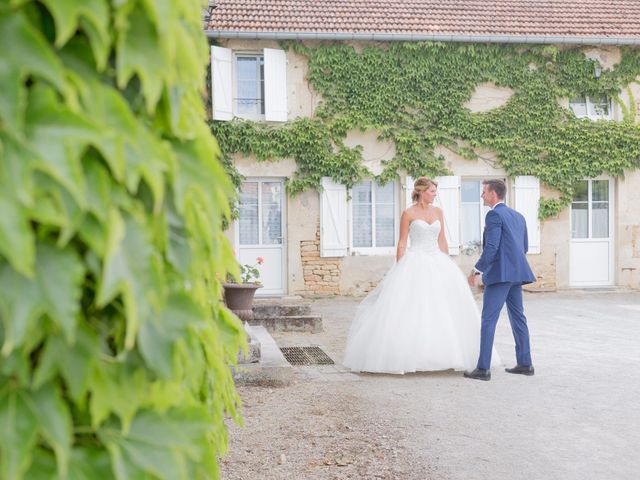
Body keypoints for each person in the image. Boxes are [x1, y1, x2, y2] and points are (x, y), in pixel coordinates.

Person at [343, 177, 500, 374]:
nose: (435, 195)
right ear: (422, 191)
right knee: (412, 307)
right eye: (432, 191)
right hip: (414, 260)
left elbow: (442, 241)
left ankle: (447, 354)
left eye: (435, 191)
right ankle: (408, 355)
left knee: (442, 307)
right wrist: (399, 268)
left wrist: (448, 264)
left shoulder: (438, 212)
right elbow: (402, 242)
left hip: (436, 260)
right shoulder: (408, 213)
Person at [464, 179, 536, 381]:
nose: (481, 196)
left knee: (488, 320)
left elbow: (492, 248)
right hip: (517, 274)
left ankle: (483, 368)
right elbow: (524, 248)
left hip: (500, 275)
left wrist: (476, 270)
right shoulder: (518, 216)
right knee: (518, 317)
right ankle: (525, 363)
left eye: (484, 192)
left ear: (493, 194)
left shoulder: (494, 214)